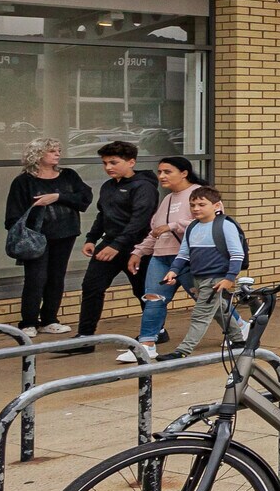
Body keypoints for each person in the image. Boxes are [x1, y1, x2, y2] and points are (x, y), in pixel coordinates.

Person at [70, 142, 158, 353]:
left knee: (143, 291)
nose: (108, 167)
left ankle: (155, 332)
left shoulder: (144, 187)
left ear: (131, 162)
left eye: (114, 162)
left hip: (137, 247)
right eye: (105, 163)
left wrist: (118, 246)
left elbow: (139, 220)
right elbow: (103, 215)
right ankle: (85, 338)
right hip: (109, 243)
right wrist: (91, 238)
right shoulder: (108, 186)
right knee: (92, 286)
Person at [3, 138, 93, 338]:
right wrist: (23, 232)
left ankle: (50, 319)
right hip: (36, 238)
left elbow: (84, 198)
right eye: (52, 151)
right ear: (38, 154)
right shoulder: (24, 181)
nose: (57, 154)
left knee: (56, 277)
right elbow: (13, 214)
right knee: (35, 278)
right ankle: (28, 322)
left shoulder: (69, 176)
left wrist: (58, 197)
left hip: (65, 234)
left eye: (58, 150)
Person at [122, 156, 201, 362]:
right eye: (160, 172)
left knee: (205, 300)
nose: (161, 176)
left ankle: (238, 329)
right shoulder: (167, 199)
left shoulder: (198, 193)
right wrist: (138, 252)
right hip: (160, 257)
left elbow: (209, 220)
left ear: (184, 173)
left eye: (167, 172)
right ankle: (146, 344)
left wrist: (174, 226)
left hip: (187, 258)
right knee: (153, 300)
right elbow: (155, 231)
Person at [160, 187, 247, 359]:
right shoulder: (192, 227)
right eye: (192, 205)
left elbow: (237, 254)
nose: (196, 208)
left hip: (216, 278)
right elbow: (184, 253)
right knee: (219, 309)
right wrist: (173, 271)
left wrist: (230, 278)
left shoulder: (225, 226)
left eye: (201, 204)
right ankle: (238, 340)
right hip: (198, 277)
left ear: (216, 206)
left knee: (200, 315)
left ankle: (182, 351)